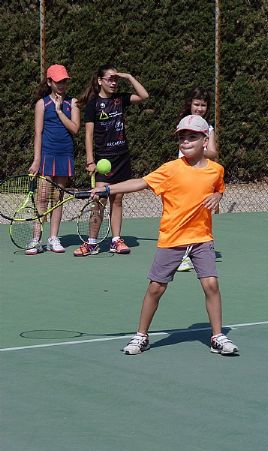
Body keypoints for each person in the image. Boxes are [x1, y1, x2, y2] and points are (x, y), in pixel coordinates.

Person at [92, 115, 239, 356]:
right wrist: (107, 188)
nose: (185, 141)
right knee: (156, 288)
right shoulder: (170, 170)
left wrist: (218, 197)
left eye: (192, 137)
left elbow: (218, 188)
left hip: (202, 237)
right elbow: (139, 183)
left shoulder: (216, 170)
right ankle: (141, 336)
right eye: (182, 137)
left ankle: (217, 336)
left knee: (211, 284)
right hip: (172, 238)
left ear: (205, 141)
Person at [73, 64, 149, 256]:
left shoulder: (120, 99)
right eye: (110, 79)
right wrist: (90, 160)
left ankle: (116, 240)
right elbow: (88, 134)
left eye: (116, 79)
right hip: (103, 159)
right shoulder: (92, 105)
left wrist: (129, 76)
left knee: (118, 199)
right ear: (100, 81)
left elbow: (144, 95)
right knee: (99, 199)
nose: (114, 83)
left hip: (122, 156)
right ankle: (91, 243)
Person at [27, 64, 80, 255]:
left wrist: (59, 111)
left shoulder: (72, 103)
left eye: (64, 81)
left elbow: (75, 129)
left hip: (64, 154)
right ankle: (36, 239)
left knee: (58, 198)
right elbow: (38, 133)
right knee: (42, 197)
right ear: (49, 82)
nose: (61, 85)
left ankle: (53, 238)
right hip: (47, 156)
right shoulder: (41, 104)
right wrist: (36, 160)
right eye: (58, 81)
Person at [177, 86, 218, 271]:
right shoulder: (184, 124)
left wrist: (201, 152)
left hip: (200, 179)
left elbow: (213, 152)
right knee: (181, 215)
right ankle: (181, 254)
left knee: (199, 216)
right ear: (190, 104)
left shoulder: (208, 129)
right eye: (197, 104)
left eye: (203, 105)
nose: (200, 108)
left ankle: (197, 252)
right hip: (182, 176)